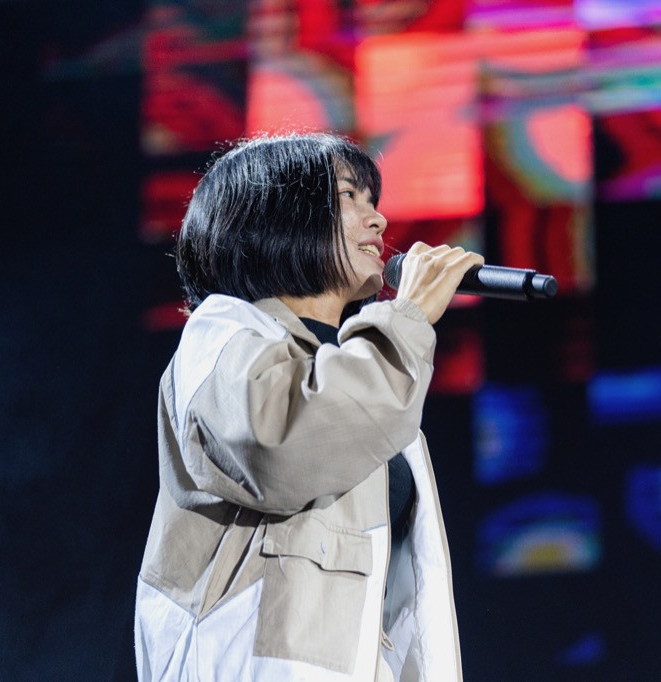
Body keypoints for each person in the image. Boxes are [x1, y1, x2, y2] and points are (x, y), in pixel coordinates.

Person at [134, 132, 484, 681]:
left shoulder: (358, 367)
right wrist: (408, 315)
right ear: (275, 217)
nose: (378, 220)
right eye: (349, 197)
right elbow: (286, 445)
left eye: (373, 201)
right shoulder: (221, 335)